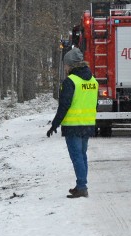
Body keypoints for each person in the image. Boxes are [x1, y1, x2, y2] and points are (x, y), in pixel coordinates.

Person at [47, 47, 98, 198]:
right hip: (87, 124)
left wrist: (55, 124)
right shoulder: (93, 80)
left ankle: (82, 187)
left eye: (66, 65)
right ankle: (81, 185)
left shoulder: (70, 82)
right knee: (82, 156)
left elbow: (64, 105)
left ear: (71, 65)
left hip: (73, 126)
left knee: (77, 157)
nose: (65, 68)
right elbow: (95, 104)